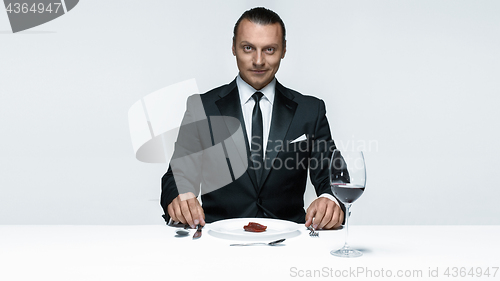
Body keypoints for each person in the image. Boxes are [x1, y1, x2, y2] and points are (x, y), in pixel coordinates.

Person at [161, 7, 345, 230]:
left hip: (290, 241)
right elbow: (177, 174)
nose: (258, 60)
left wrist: (331, 199)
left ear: (284, 50)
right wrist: (180, 196)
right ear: (234, 47)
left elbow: (334, 176)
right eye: (248, 48)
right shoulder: (202, 107)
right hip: (218, 240)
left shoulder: (310, 110)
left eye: (269, 49)